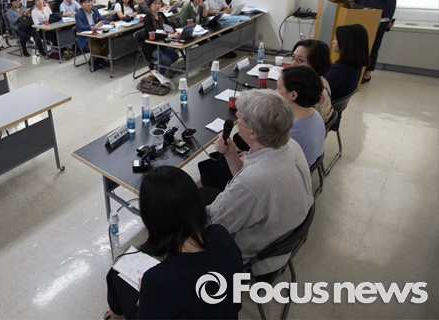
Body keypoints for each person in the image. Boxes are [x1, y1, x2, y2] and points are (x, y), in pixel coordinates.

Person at [105, 166, 242, 319]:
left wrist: (147, 295)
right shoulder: (221, 234)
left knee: (116, 275)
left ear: (153, 222)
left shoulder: (158, 281)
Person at [205, 89, 314, 276]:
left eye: (241, 117)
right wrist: (231, 153)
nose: (237, 118)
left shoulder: (251, 183)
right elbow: (249, 179)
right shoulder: (290, 145)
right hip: (280, 236)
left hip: (254, 259)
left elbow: (210, 225)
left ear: (253, 133)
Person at [353, 0, 396, 84]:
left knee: (373, 47)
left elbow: (391, 3)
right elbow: (359, 0)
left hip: (379, 21)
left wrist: (389, 21)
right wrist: (348, 1)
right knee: (360, 47)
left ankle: (367, 74)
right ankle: (357, 71)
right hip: (362, 19)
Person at [276, 66, 326, 166]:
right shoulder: (313, 112)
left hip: (293, 169)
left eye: (278, 88)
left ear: (293, 95)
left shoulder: (292, 132)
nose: (275, 91)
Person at [289, 39, 334, 123]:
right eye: (293, 57)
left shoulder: (308, 93)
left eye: (300, 60)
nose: (292, 64)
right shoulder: (321, 80)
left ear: (316, 64)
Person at [325, 24, 369, 101]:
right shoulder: (354, 66)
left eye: (336, 39)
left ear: (346, 44)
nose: (333, 42)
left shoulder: (339, 72)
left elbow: (315, 89)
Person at [143, 0, 180, 74]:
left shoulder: (161, 14)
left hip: (163, 45)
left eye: (159, 3)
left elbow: (169, 27)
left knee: (175, 56)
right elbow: (152, 34)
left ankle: (158, 68)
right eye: (155, 3)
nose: (157, 6)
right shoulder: (147, 18)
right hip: (152, 47)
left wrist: (174, 32)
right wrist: (168, 35)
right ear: (150, 5)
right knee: (167, 60)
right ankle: (158, 77)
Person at [75, 0, 114, 67]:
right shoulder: (78, 14)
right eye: (85, 3)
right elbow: (80, 27)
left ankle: (100, 60)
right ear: (81, 5)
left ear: (92, 2)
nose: (88, 4)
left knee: (110, 43)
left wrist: (109, 22)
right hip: (86, 38)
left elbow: (101, 19)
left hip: (97, 35)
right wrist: (95, 26)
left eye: (89, 2)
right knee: (97, 50)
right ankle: (91, 62)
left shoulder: (94, 10)